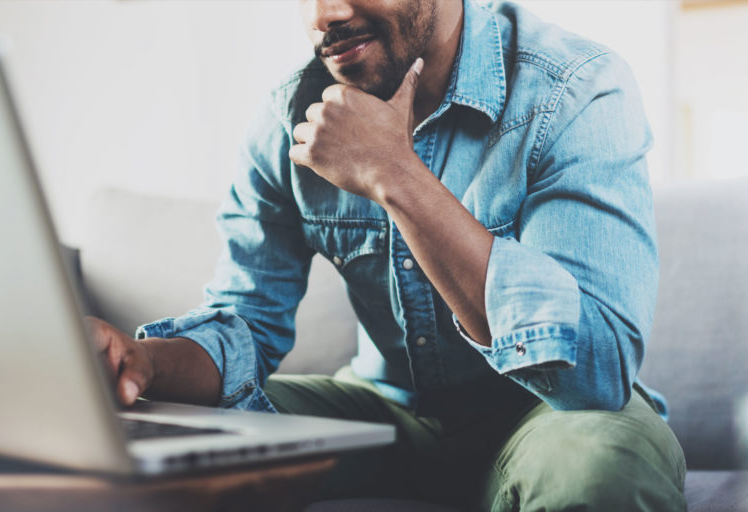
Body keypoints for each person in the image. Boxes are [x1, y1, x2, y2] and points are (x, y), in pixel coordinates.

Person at [88, 0, 686, 509]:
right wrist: (143, 363)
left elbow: (598, 371)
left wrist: (395, 173)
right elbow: (247, 322)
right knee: (161, 439)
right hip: (382, 410)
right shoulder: (289, 120)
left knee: (603, 463)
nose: (328, 14)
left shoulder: (573, 89)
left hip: (544, 413)